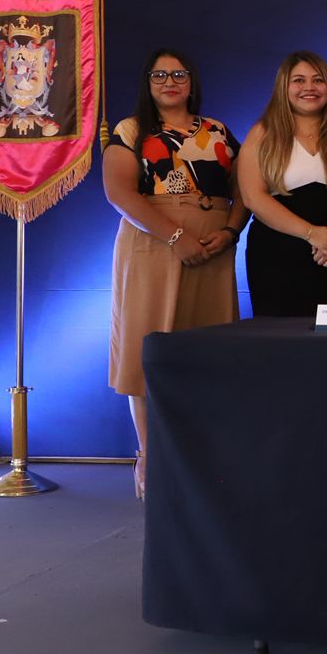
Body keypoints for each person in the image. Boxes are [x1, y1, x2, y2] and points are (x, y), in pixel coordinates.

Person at [102, 49, 248, 499]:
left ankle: (201, 456)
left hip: (213, 249)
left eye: (179, 74)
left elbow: (244, 190)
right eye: (160, 74)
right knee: (149, 348)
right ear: (147, 82)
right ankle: (150, 456)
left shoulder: (219, 131)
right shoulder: (130, 130)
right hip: (153, 244)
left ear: (192, 81)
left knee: (208, 350)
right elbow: (119, 192)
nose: (170, 81)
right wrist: (176, 237)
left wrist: (231, 231)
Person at [236, 51, 327, 317]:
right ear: (283, 87)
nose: (309, 87)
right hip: (276, 258)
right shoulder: (262, 133)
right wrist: (312, 234)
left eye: (318, 80)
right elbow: (252, 197)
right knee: (280, 337)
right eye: (298, 80)